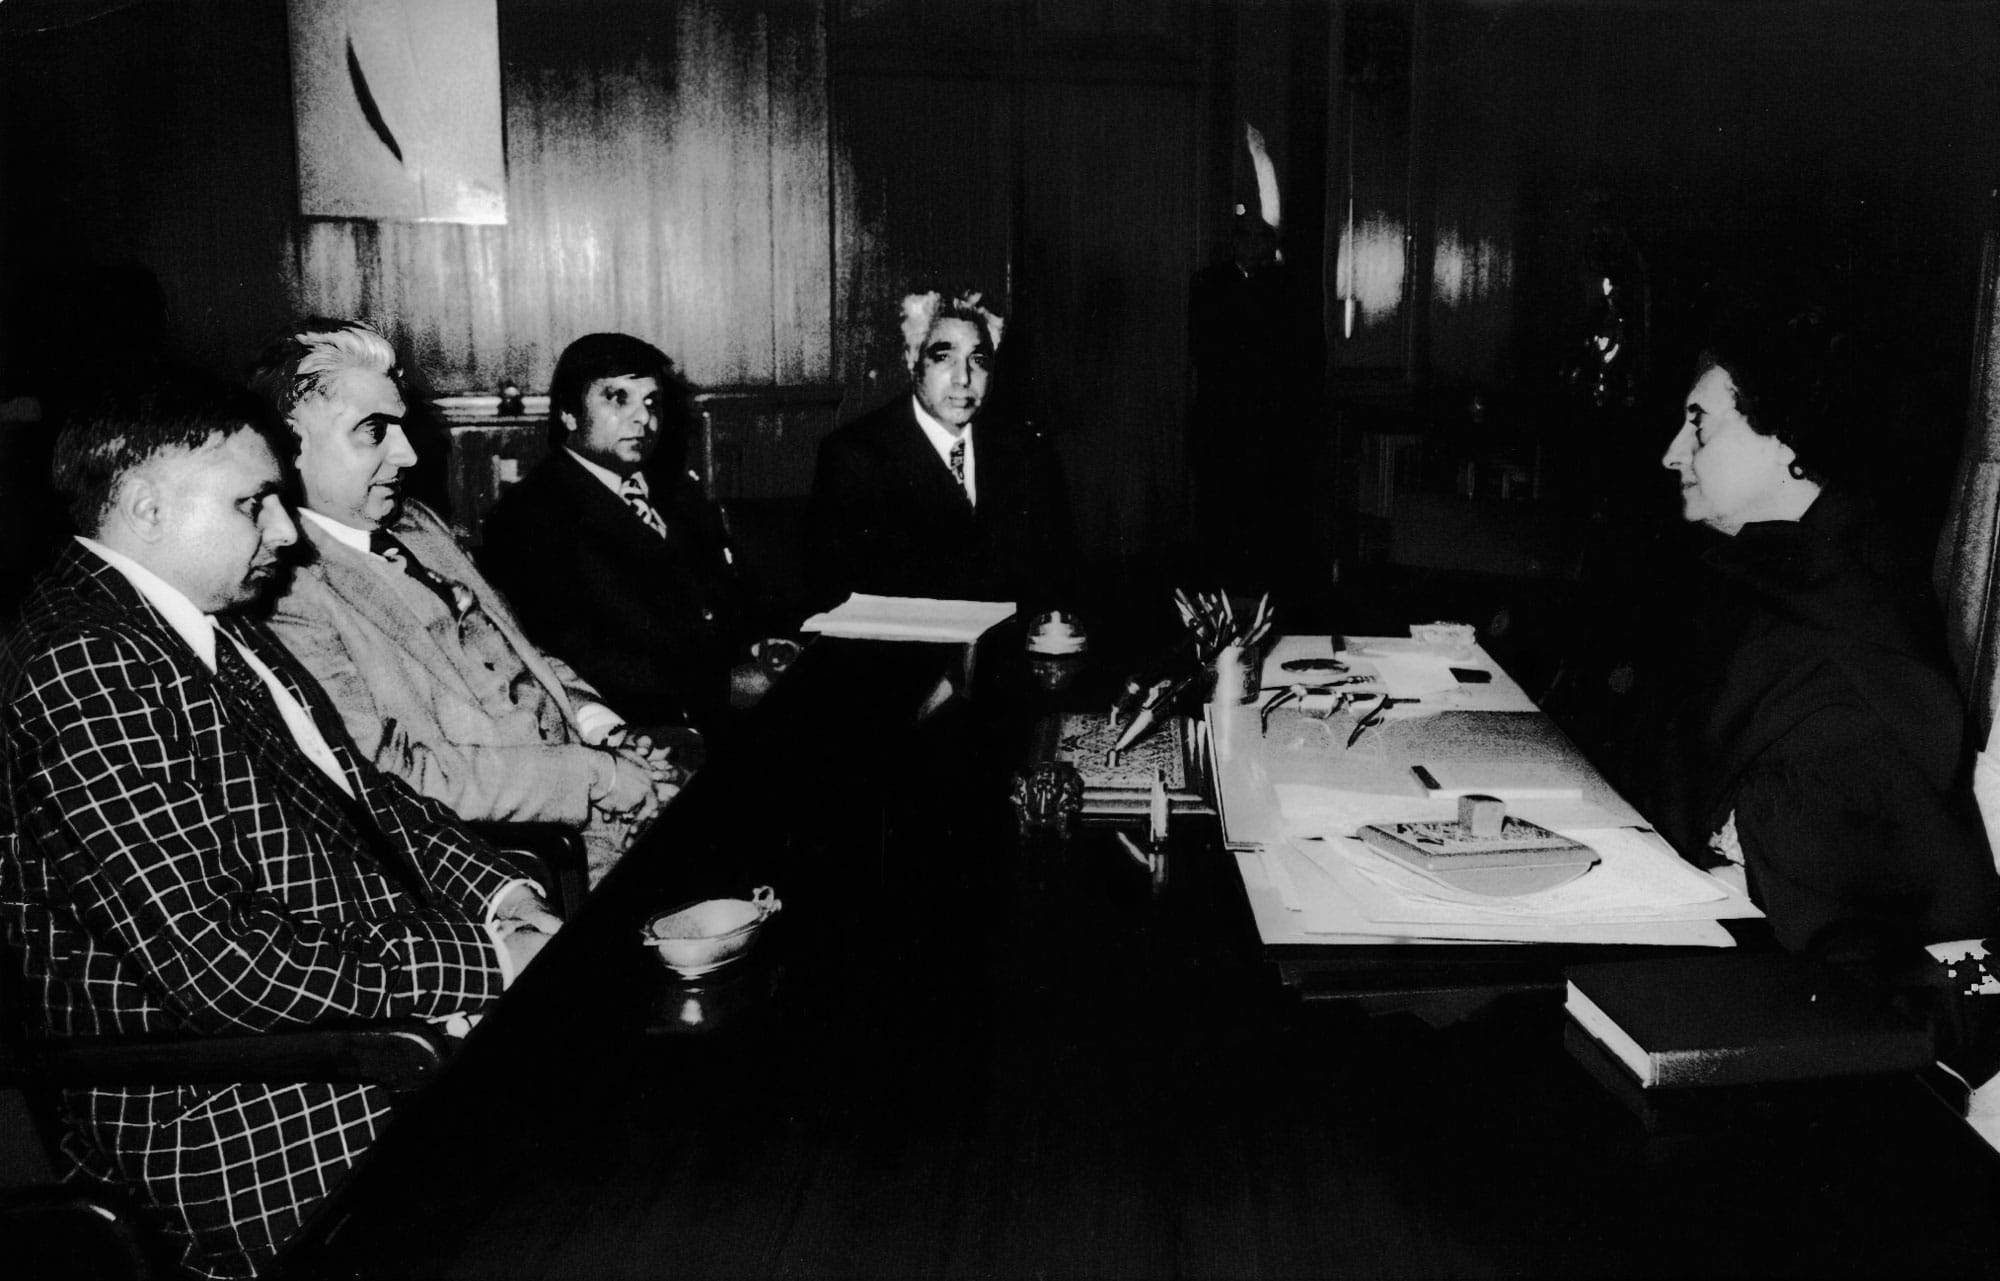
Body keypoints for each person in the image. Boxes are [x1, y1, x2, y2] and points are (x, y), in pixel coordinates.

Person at [0, 375, 560, 1278]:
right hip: (232, 1099)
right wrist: (483, 959)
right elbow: (214, 961)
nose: (288, 532)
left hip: (349, 1018)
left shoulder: (202, 614)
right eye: (253, 503)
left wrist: (502, 895)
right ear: (145, 507)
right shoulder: (83, 660)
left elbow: (371, 797)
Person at [252, 320, 676, 885]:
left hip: (602, 792)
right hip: (523, 859)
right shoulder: (284, 593)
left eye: (400, 427)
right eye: (373, 431)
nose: (406, 455)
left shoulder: (417, 526)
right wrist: (599, 776)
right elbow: (394, 776)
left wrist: (607, 731)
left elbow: (524, 655)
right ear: (290, 446)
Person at [1642, 328, 2000, 984]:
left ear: (1785, 440)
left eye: (1700, 425)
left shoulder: (1848, 613)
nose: (1673, 453)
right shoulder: (1781, 573)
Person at [479, 332, 782, 738]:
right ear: (568, 413)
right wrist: (721, 688)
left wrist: (761, 645)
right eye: (618, 399)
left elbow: (721, 600)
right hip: (643, 733)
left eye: (652, 402)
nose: (643, 418)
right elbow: (575, 658)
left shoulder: (676, 492)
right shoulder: (528, 516)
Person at [809, 289, 1077, 611]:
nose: (963, 378)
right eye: (944, 357)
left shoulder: (1027, 451)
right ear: (912, 358)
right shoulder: (854, 456)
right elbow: (841, 592)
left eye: (978, 360)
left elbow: (1056, 581)